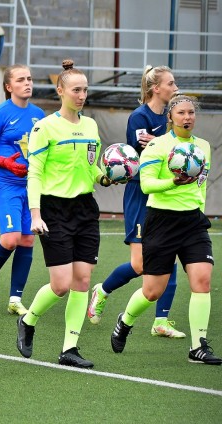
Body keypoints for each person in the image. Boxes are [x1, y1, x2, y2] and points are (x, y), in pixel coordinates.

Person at [16, 59, 117, 369]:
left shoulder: (90, 126)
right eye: (76, 89)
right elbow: (34, 174)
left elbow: (92, 167)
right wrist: (35, 214)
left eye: (85, 90)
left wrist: (106, 176)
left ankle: (69, 348)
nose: (81, 95)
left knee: (83, 280)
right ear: (60, 91)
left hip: (85, 208)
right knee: (60, 284)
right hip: (53, 209)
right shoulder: (43, 127)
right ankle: (28, 320)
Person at [110, 95, 219, 365]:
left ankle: (198, 346)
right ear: (170, 116)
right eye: (181, 112)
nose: (187, 117)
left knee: (202, 280)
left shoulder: (203, 146)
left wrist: (194, 204)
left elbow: (200, 186)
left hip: (193, 222)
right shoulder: (157, 146)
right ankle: (125, 321)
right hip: (161, 222)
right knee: (152, 291)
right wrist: (173, 181)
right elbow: (146, 185)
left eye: (191, 113)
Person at [88, 66, 185, 338]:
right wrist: (162, 145)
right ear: (156, 88)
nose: (175, 86)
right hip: (141, 195)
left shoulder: (172, 115)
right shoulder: (139, 117)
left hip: (165, 193)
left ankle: (161, 321)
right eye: (171, 82)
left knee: (171, 254)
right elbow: (138, 160)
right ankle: (102, 290)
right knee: (141, 264)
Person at [0, 65, 45, 315]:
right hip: (5, 184)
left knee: (27, 240)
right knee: (11, 239)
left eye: (29, 78)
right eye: (20, 80)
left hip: (31, 185)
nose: (27, 83)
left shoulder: (40, 115)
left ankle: (15, 299)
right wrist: (4, 162)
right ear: (9, 87)